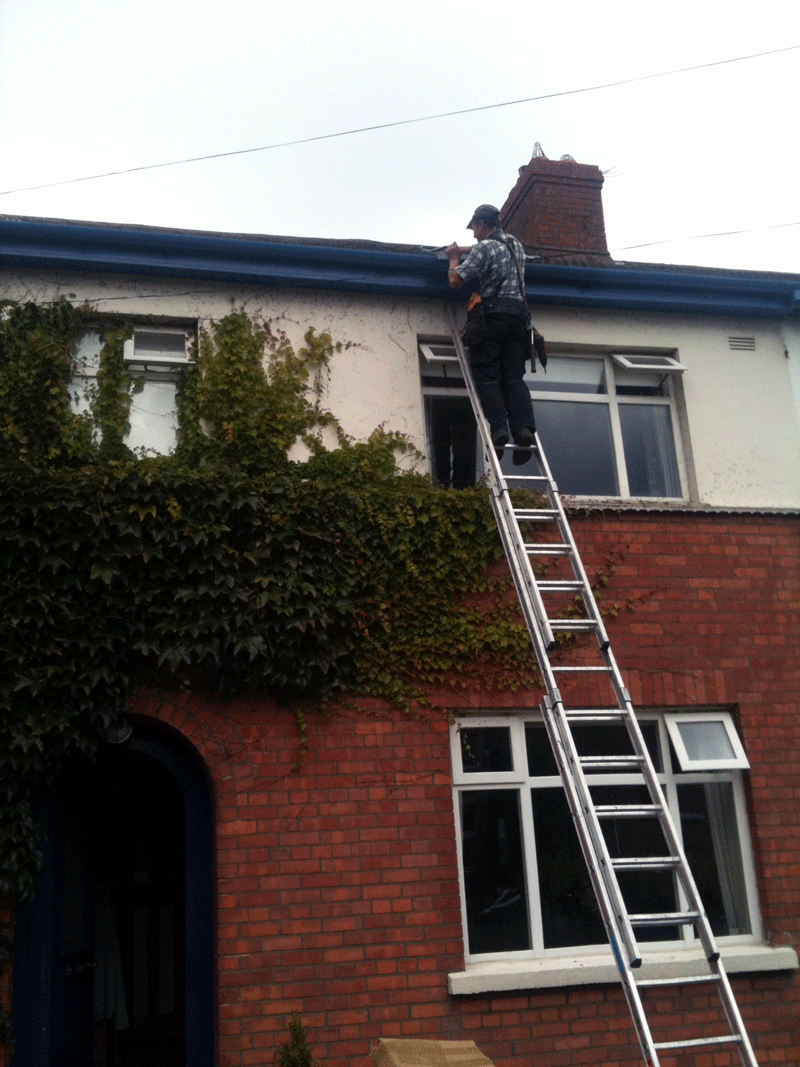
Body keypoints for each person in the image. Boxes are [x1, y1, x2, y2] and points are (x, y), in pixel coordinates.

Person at [446, 204, 536, 464]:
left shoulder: (485, 247)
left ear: (482, 225)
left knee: (488, 377)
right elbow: (485, 248)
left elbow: (455, 281)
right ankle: (523, 430)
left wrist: (454, 258)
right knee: (513, 378)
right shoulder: (515, 244)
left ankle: (499, 428)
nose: (473, 234)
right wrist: (463, 248)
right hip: (519, 318)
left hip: (493, 317)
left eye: (474, 228)